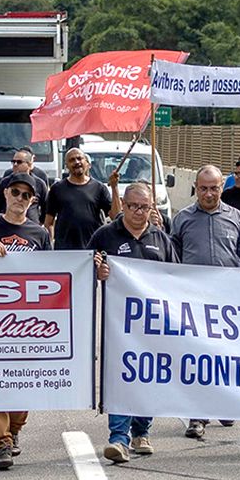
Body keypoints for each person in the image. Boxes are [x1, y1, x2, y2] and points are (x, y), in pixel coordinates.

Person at [171, 166, 240, 438]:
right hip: (194, 299)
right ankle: (198, 416)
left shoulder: (235, 217)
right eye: (204, 188)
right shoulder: (182, 218)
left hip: (226, 300)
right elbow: (171, 257)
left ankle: (224, 403)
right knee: (198, 357)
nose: (209, 193)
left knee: (225, 355)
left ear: (222, 187)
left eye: (214, 188)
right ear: (196, 188)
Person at [0, 180, 54, 470]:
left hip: (28, 323)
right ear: (5, 193)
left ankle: (15, 428)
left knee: (25, 381)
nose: (20, 198)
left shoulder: (39, 234)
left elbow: (52, 276)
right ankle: (1, 442)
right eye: (15, 192)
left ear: (33, 202)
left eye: (26, 195)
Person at [89, 183, 178, 463]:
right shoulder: (105, 235)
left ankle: (142, 431)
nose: (139, 212)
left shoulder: (161, 239)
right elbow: (85, 269)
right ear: (123, 206)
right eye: (133, 206)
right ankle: (118, 438)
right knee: (121, 377)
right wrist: (98, 271)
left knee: (148, 376)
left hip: (153, 324)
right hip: (119, 326)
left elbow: (176, 277)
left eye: (145, 207)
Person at [45, 148, 117, 250]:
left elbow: (115, 216)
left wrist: (114, 188)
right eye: (72, 160)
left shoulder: (99, 188)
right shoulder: (57, 189)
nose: (77, 162)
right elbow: (48, 223)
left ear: (87, 163)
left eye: (79, 158)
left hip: (92, 249)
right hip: (64, 250)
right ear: (66, 166)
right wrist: (50, 247)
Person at [0, 147, 49, 223]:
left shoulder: (40, 184)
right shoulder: (6, 182)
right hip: (7, 226)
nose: (15, 164)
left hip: (31, 229)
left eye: (19, 162)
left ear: (29, 164)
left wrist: (39, 224)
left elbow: (46, 209)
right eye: (13, 161)